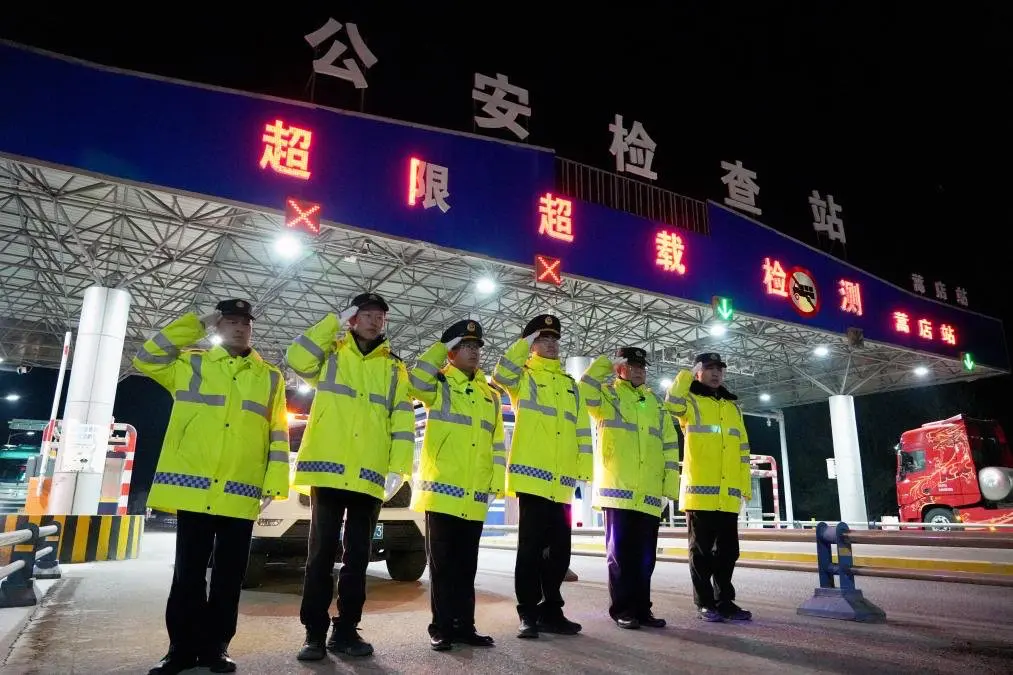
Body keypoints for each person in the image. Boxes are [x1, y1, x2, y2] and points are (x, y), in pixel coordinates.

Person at [135, 300, 290, 675]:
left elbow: (278, 433)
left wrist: (274, 483)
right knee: (187, 574)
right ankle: (180, 649)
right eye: (231, 322)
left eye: (245, 324)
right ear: (218, 327)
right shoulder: (191, 363)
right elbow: (146, 357)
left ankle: (216, 648)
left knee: (228, 577)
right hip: (195, 489)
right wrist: (197, 323)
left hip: (241, 491)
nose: (240, 328)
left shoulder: (269, 376)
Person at [286, 292, 415, 659]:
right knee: (320, 556)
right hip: (327, 472)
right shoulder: (331, 353)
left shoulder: (394, 367)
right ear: (353, 318)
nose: (375, 321)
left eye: (381, 316)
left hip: (369, 476)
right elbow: (296, 357)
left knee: (358, 558)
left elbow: (402, 419)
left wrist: (398, 468)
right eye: (367, 314)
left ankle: (346, 630)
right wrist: (333, 322)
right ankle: (314, 633)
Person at [409, 319, 506, 651]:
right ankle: (441, 627)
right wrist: (440, 347)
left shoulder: (490, 395)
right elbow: (415, 381)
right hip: (442, 494)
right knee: (442, 567)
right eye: (465, 346)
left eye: (477, 347)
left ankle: (465, 626)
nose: (474, 352)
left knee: (467, 567)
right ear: (451, 352)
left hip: (475, 496)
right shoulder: (439, 384)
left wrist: (494, 485)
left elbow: (496, 444)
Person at [492, 314, 592, 639]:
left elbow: (581, 430)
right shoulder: (523, 377)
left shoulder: (570, 385)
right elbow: (501, 373)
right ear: (532, 345)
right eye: (543, 339)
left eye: (554, 339)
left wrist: (583, 472)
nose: (550, 344)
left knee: (560, 553)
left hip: (562, 484)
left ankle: (552, 611)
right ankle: (528, 613)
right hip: (532, 481)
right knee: (530, 551)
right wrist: (524, 341)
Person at [579, 347, 680, 629]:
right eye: (632, 365)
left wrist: (668, 488)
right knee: (620, 556)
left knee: (645, 559)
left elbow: (670, 446)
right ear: (620, 368)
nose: (638, 371)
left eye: (641, 367)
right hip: (618, 493)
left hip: (649, 494)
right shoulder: (608, 396)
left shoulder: (655, 403)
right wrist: (605, 363)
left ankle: (642, 609)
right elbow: (583, 390)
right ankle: (623, 610)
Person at [665, 352, 753, 622]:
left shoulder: (732, 407)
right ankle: (705, 603)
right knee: (701, 553)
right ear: (698, 372)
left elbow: (743, 450)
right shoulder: (690, 402)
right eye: (709, 368)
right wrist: (685, 375)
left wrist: (744, 488)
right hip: (700, 495)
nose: (716, 373)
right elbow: (671, 404)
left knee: (729, 553)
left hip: (728, 496)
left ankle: (724, 601)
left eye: (719, 369)